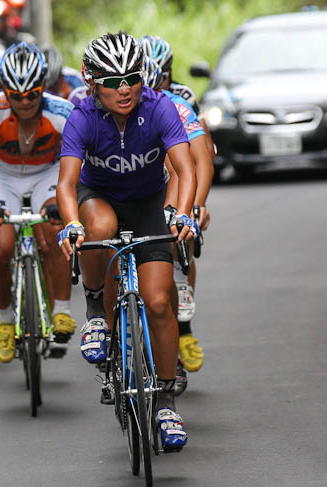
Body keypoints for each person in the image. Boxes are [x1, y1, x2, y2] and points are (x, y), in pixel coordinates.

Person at [57, 32, 197, 450]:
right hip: (98, 198)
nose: (124, 89)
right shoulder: (81, 117)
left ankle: (166, 400)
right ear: (92, 82)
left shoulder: (160, 108)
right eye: (112, 80)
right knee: (98, 226)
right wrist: (70, 224)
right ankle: (96, 306)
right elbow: (65, 183)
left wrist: (182, 212)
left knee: (157, 301)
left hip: (149, 201)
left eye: (132, 78)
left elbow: (184, 170)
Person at [0, 42, 76, 363]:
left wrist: (63, 202)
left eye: (33, 94)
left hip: (48, 172)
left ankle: (62, 311)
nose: (25, 101)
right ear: (5, 90)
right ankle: (4, 321)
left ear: (43, 88)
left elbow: (74, 164)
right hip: (3, 175)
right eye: (16, 95)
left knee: (55, 234)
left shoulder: (62, 111)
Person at [141, 35, 214, 377]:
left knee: (180, 234)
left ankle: (183, 325)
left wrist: (197, 205)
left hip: (173, 177)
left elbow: (200, 159)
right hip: (141, 181)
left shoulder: (181, 100)